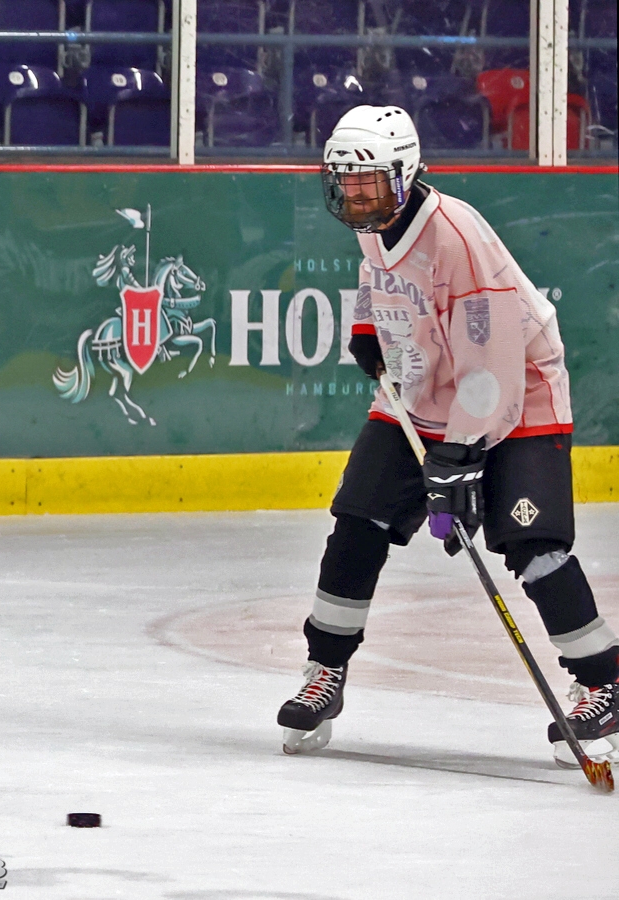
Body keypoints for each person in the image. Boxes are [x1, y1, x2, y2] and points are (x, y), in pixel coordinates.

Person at [276, 105, 618, 766]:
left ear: (405, 175)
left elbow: (493, 365)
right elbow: (379, 278)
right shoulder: (376, 224)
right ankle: (325, 670)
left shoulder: (457, 239)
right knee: (357, 524)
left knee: (534, 547)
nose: (356, 196)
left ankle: (604, 680)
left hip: (519, 400)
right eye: (346, 183)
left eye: (368, 183)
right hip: (418, 394)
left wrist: (462, 454)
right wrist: (369, 325)